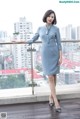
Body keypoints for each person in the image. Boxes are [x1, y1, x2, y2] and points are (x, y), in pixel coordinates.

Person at [27, 9, 62, 112]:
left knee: (54, 76)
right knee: (50, 76)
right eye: (49, 16)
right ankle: (56, 101)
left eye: (53, 17)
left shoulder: (56, 29)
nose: (51, 18)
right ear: (46, 17)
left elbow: (59, 44)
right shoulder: (40, 28)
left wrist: (61, 57)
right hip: (45, 55)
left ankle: (51, 97)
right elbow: (34, 38)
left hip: (54, 54)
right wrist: (25, 41)